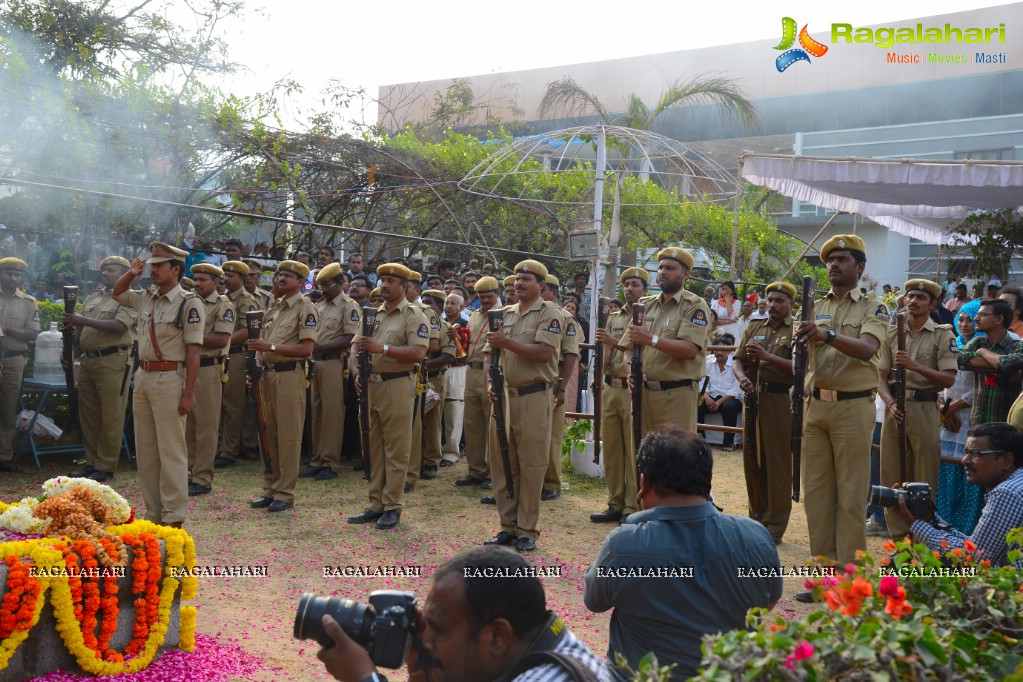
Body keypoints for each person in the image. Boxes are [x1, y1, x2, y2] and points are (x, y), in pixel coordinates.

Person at [583, 426, 782, 680]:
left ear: (643, 483)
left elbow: (594, 600)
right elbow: (769, 601)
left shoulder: (623, 546)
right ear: (708, 483)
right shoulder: (756, 537)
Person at [317, 546, 608, 682]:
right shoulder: (552, 647)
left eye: (438, 628)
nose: (424, 639)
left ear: (497, 636)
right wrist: (421, 672)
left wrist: (364, 679)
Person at [794, 234, 887, 579]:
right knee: (816, 495)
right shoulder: (816, 304)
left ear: (859, 267)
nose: (833, 264)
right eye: (829, 260)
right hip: (816, 405)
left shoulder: (873, 306)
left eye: (842, 259)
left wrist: (827, 335)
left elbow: (867, 349)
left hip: (852, 406)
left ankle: (852, 579)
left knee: (850, 497)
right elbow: (802, 355)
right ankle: (824, 573)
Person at [113, 243, 204, 527]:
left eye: (159, 266)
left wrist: (188, 393)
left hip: (170, 378)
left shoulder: (189, 302)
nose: (153, 270)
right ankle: (153, 513)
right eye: (152, 265)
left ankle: (173, 515)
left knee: (171, 450)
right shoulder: (147, 297)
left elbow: (193, 352)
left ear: (176, 269)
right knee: (147, 450)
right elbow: (117, 293)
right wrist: (131, 273)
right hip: (144, 376)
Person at [483, 260, 562, 552]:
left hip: (533, 396)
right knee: (504, 463)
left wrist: (507, 342)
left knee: (531, 465)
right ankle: (507, 526)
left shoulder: (550, 313)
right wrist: (491, 384)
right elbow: (491, 353)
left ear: (540, 285)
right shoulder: (504, 314)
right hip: (503, 396)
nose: (519, 284)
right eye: (517, 279)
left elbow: (543, 353)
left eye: (526, 279)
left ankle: (527, 530)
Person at [347, 263, 429, 530]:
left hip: (397, 385)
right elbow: (355, 348)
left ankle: (393, 505)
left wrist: (381, 347)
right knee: (372, 445)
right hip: (370, 385)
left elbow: (418, 353)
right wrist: (357, 373)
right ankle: (376, 503)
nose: (384, 285)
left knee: (395, 448)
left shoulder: (414, 315)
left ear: (404, 286)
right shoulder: (372, 314)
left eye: (390, 281)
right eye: (382, 280)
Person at [876, 279, 957, 536]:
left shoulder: (943, 333)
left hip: (924, 408)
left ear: (932, 303)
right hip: (895, 409)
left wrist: (915, 366)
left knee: (923, 478)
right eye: (911, 296)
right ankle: (898, 539)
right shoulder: (892, 332)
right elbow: (880, 377)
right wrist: (889, 403)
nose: (913, 301)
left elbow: (948, 378)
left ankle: (922, 539)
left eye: (921, 297)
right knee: (892, 474)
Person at [897, 421, 1023, 568]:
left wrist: (915, 524)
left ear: (1007, 460)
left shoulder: (1007, 493)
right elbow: (978, 546)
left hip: (1015, 587)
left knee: (901, 571)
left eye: (976, 454)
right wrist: (930, 519)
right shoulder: (1015, 484)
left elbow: (973, 560)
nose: (964, 461)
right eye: (966, 452)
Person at [246, 260, 318, 513]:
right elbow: (260, 345)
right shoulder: (274, 308)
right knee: (268, 432)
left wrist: (271, 348)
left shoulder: (305, 307)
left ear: (300, 282)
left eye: (288, 276)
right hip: (267, 375)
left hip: (290, 376)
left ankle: (285, 493)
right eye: (279, 275)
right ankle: (270, 488)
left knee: (288, 437)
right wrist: (256, 364)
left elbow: (307, 349)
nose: (280, 279)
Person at [621, 247, 711, 434]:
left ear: (686, 274)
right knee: (641, 456)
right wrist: (632, 371)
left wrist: (650, 339)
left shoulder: (695, 305)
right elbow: (628, 347)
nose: (662, 272)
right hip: (643, 393)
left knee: (675, 456)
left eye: (670, 268)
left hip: (676, 395)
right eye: (661, 267)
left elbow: (690, 349)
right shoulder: (645, 304)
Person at [732, 282, 796, 543]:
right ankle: (755, 516)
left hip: (780, 400)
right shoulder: (755, 326)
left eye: (779, 301)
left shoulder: (796, 330)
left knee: (777, 463)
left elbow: (800, 367)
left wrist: (767, 357)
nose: (773, 305)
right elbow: (739, 360)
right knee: (752, 458)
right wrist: (741, 378)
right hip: (753, 397)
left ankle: (774, 525)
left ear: (791, 304)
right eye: (770, 300)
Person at [64, 256, 137, 483]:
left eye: (111, 270)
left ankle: (105, 467)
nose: (105, 273)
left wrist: (82, 320)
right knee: (89, 416)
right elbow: (78, 328)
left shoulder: (130, 298)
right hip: (88, 361)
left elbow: (119, 326)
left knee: (111, 416)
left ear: (125, 274)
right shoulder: (95, 296)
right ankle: (91, 463)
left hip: (113, 360)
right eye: (104, 270)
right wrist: (69, 349)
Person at [590, 267, 646, 523]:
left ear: (644, 289)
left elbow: (628, 348)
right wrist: (597, 377)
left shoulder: (646, 315)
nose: (629, 289)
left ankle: (632, 506)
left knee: (633, 448)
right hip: (611, 387)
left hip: (632, 388)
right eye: (626, 285)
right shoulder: (614, 316)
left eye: (635, 284)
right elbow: (608, 353)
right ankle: (615, 502)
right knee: (612, 448)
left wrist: (612, 341)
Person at [300, 262, 360, 481]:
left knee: (332, 413)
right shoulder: (320, 305)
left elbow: (350, 337)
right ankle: (317, 459)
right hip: (315, 362)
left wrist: (321, 347)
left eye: (327, 285)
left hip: (335, 362)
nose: (323, 288)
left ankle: (330, 461)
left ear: (340, 283)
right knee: (315, 412)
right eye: (321, 285)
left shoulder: (349, 306)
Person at [184, 263, 234, 496]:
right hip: (187, 366)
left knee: (205, 425)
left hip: (208, 368)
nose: (198, 283)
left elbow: (222, 339)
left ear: (216, 282)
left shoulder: (223, 305)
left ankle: (202, 477)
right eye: (196, 278)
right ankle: (188, 471)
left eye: (204, 279)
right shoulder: (190, 301)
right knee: (188, 425)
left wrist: (192, 337)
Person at [937, 309, 985, 534]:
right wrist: (943, 412)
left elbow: (978, 388)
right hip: (948, 418)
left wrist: (950, 410)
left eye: (969, 320)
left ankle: (965, 529)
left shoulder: (981, 349)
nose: (965, 324)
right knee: (946, 468)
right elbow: (941, 383)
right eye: (961, 320)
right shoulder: (950, 344)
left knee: (967, 469)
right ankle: (943, 523)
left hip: (967, 417)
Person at [454, 277, 500, 491]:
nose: (485, 300)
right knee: (472, 424)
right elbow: (469, 343)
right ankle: (476, 470)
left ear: (497, 295)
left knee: (493, 425)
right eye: (482, 297)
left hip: (492, 372)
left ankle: (493, 472)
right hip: (471, 371)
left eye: (489, 296)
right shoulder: (473, 316)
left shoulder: (504, 315)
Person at [214, 261, 260, 468]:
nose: (225, 279)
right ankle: (219, 446)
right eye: (224, 275)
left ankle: (229, 451)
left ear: (242, 279)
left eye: (230, 276)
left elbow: (248, 329)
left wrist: (223, 340)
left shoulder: (246, 300)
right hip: (221, 355)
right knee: (219, 404)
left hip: (237, 355)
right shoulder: (221, 299)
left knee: (233, 405)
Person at [541, 274, 579, 502]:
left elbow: (570, 355)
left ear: (553, 293)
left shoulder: (565, 318)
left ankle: (551, 482)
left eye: (543, 289)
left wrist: (562, 387)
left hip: (552, 383)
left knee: (552, 436)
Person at [0, 258, 38, 472]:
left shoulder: (28, 302)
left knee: (7, 407)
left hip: (14, 360)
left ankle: (4, 456)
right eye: (8, 274)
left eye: (17, 275)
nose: (13, 278)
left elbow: (33, 334)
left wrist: (6, 329)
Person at [959, 299, 1023, 426]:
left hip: (1003, 424)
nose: (976, 318)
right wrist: (999, 365)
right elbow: (958, 357)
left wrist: (982, 352)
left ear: (999, 319)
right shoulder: (978, 341)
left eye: (982, 315)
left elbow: (1008, 365)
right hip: (977, 421)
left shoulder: (1017, 346)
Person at [416, 289, 456, 479]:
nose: (424, 305)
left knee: (432, 423)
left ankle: (431, 462)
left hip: (434, 378)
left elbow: (448, 355)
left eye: (429, 302)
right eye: (422, 301)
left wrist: (423, 366)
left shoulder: (446, 327)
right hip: (414, 378)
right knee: (414, 421)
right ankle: (415, 459)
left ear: (439, 307)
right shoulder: (415, 321)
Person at [697, 333, 742, 452]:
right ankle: (699, 441)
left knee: (729, 407)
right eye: (716, 350)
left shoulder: (736, 364)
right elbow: (701, 382)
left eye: (722, 350)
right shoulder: (707, 361)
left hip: (731, 398)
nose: (718, 353)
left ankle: (729, 443)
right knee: (698, 404)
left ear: (729, 351)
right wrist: (707, 398)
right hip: (710, 396)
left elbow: (737, 389)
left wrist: (719, 402)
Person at [442, 292, 467, 467]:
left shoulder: (466, 324)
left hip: (457, 370)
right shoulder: (439, 323)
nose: (448, 306)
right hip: (440, 369)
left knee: (454, 411)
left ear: (462, 307)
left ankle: (451, 453)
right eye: (446, 303)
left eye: (453, 303)